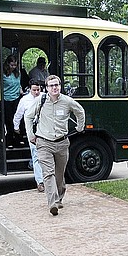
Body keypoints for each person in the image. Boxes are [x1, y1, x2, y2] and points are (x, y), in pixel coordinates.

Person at [25, 74, 85, 216]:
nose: (54, 88)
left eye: (56, 85)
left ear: (60, 86)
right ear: (47, 88)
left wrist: (80, 128)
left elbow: (80, 111)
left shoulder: (67, 101)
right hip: (43, 142)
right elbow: (28, 116)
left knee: (59, 174)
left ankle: (59, 198)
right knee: (48, 174)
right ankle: (52, 203)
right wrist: (31, 135)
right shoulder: (41, 100)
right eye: (51, 85)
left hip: (62, 143)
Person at [13, 80, 45, 192]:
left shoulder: (45, 97)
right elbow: (18, 115)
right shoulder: (24, 100)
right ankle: (40, 182)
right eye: (34, 90)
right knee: (36, 156)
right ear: (30, 89)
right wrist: (16, 127)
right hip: (31, 130)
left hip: (45, 130)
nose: (36, 92)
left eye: (38, 90)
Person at [2, 55, 23, 147]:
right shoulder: (2, 74)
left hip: (17, 98)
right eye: (12, 65)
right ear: (8, 64)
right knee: (9, 121)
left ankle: (18, 139)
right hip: (6, 99)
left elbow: (19, 85)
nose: (14, 67)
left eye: (15, 65)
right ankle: (9, 140)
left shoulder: (17, 73)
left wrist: (21, 89)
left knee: (18, 119)